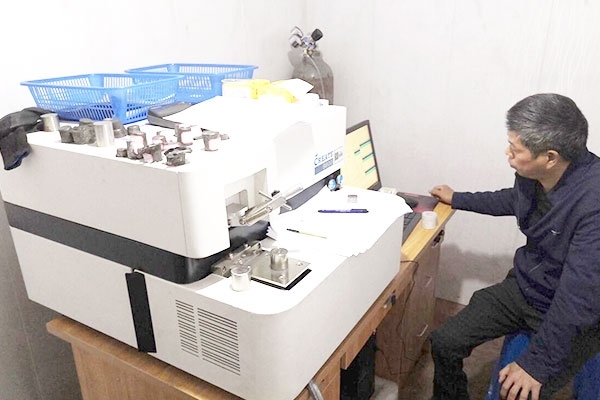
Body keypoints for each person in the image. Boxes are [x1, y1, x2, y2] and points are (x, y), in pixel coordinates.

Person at [428, 93, 600, 400]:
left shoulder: (593, 204)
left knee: (514, 393)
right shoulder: (535, 176)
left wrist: (536, 365)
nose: (507, 153)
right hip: (527, 287)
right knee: (445, 341)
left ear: (550, 157)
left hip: (572, 309)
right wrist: (459, 199)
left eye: (515, 149)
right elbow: (515, 200)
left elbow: (579, 297)